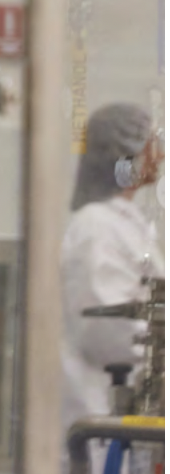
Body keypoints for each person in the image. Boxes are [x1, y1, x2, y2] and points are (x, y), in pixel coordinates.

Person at [60, 103, 164, 473]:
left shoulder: (128, 224)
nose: (162, 154)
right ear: (125, 155)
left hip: (126, 417)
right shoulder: (96, 227)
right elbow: (106, 331)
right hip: (99, 413)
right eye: (152, 143)